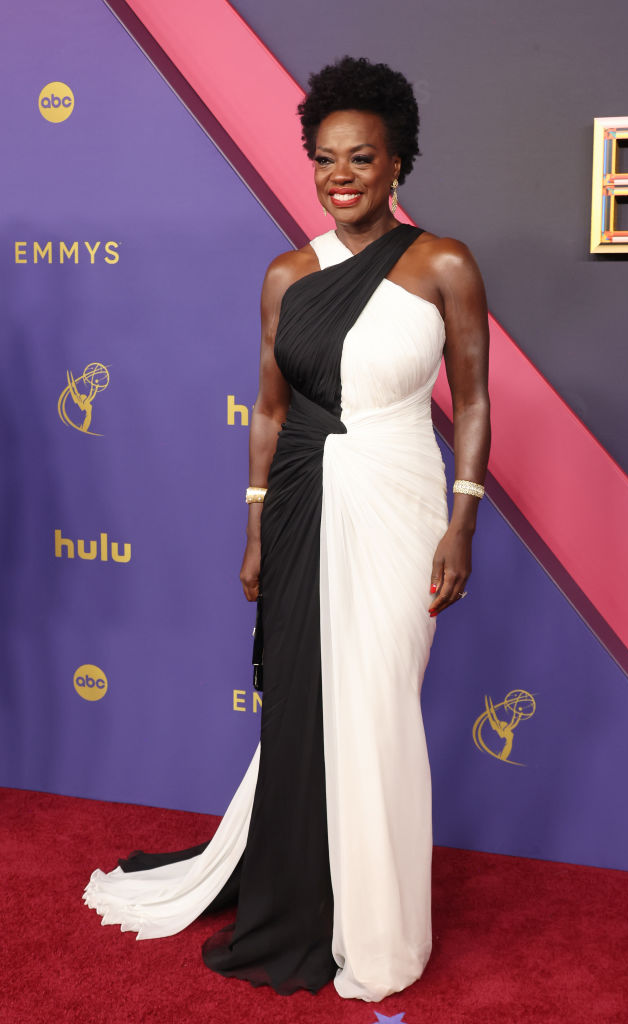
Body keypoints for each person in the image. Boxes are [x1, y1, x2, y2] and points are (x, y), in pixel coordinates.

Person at [82, 54, 491, 1004]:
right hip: (304, 503)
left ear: (399, 165)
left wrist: (462, 522)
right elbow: (268, 411)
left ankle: (380, 928)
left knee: (380, 704)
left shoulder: (444, 264)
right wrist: (259, 526)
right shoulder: (286, 274)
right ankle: (311, 893)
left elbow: (470, 402)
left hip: (401, 499)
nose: (341, 175)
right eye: (324, 159)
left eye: (362, 157)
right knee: (311, 705)